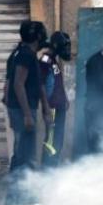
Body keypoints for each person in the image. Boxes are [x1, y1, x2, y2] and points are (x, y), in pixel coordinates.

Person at [4, 21, 52, 205]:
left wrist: (45, 108)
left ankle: (13, 199)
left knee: (20, 156)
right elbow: (18, 84)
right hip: (23, 110)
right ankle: (24, 201)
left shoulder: (19, 53)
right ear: (37, 36)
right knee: (26, 157)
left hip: (19, 110)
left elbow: (33, 84)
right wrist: (26, 115)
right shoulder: (25, 55)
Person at [38, 31, 71, 168]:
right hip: (52, 107)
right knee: (51, 142)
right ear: (56, 45)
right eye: (65, 46)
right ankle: (47, 170)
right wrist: (46, 109)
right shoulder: (45, 60)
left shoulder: (53, 60)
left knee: (57, 140)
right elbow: (41, 85)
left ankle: (53, 168)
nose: (67, 50)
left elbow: (56, 82)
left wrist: (65, 98)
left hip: (59, 106)